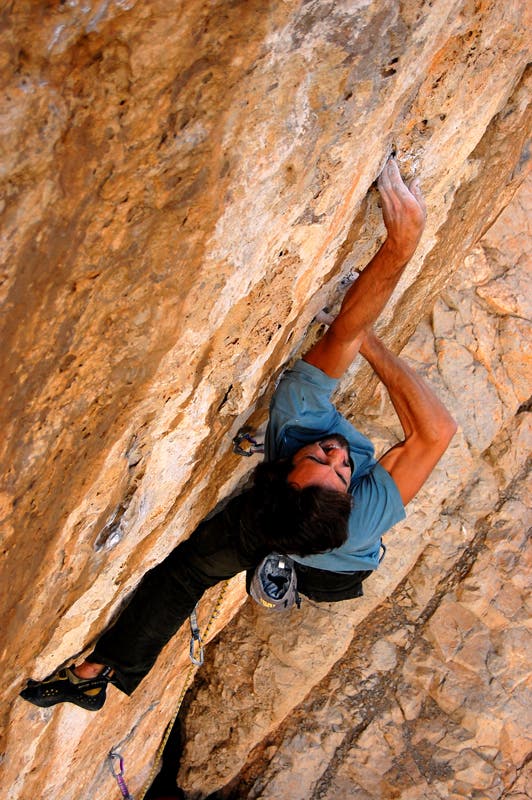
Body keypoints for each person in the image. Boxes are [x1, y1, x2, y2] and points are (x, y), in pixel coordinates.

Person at [20, 159, 456, 711]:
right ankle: (93, 676)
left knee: (192, 571)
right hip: (277, 526)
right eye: (342, 468)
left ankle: (278, 569)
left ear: (285, 470)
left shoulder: (304, 435)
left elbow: (409, 404)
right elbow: (424, 421)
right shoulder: (338, 484)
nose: (338, 452)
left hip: (330, 566)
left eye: (324, 458)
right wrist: (397, 252)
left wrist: (388, 276)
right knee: (182, 574)